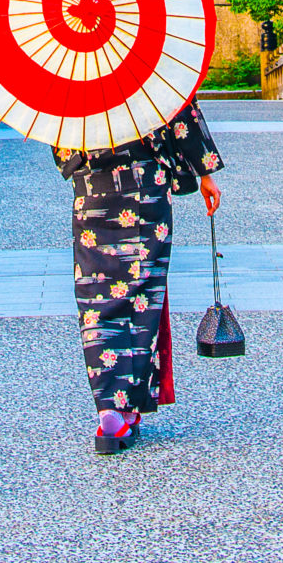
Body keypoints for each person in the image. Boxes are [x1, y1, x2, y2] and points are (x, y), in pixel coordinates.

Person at [54, 101, 225, 454]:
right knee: (142, 297)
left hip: (93, 192)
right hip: (145, 188)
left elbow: (60, 141)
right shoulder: (147, 61)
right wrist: (203, 172)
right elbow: (179, 110)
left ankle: (109, 410)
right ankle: (128, 404)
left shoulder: (70, 76)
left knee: (97, 301)